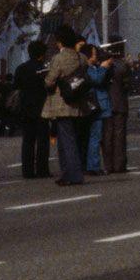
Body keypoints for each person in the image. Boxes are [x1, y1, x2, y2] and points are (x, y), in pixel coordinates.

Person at [41, 26, 93, 185]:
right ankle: (68, 174)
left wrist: (47, 81)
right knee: (73, 141)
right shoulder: (82, 58)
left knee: (66, 142)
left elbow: (50, 81)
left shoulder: (59, 58)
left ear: (60, 41)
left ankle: (73, 175)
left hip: (62, 103)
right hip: (78, 103)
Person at [12, 40, 51, 179]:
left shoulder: (21, 68)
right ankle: (42, 169)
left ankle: (27, 171)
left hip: (26, 106)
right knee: (42, 140)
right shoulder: (44, 69)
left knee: (28, 140)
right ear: (42, 54)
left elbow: (16, 85)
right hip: (42, 106)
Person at [101, 42, 131, 173]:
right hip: (120, 103)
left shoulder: (102, 65)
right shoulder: (123, 66)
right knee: (119, 136)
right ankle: (120, 165)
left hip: (105, 104)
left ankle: (108, 166)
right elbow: (127, 85)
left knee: (107, 136)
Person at [84, 44, 111, 175]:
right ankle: (93, 166)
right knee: (95, 137)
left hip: (95, 105)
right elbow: (97, 80)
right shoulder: (89, 69)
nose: (96, 56)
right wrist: (103, 68)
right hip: (95, 106)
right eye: (94, 54)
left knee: (95, 137)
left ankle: (93, 165)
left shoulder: (92, 67)